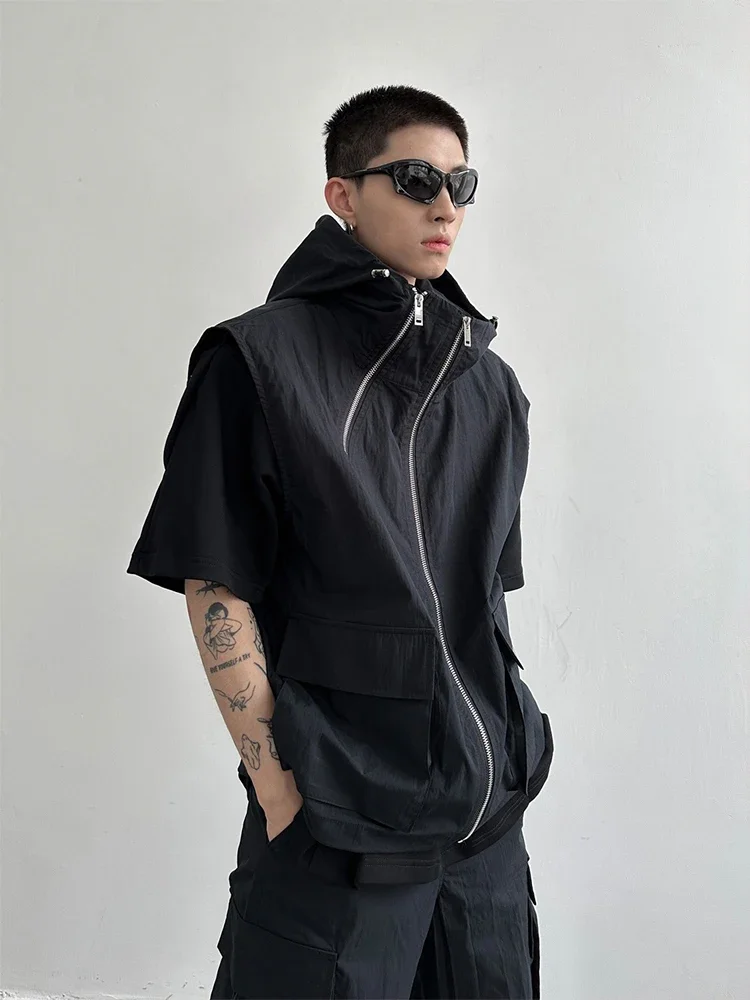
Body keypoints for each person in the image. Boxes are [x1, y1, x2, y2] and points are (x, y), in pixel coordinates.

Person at [127, 84, 554, 1000]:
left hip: (485, 829)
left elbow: (483, 601)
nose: (445, 207)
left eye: (461, 183)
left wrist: (512, 748)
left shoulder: (492, 388)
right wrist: (279, 788)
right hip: (339, 823)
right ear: (343, 195)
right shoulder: (256, 361)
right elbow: (216, 584)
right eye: (416, 179)